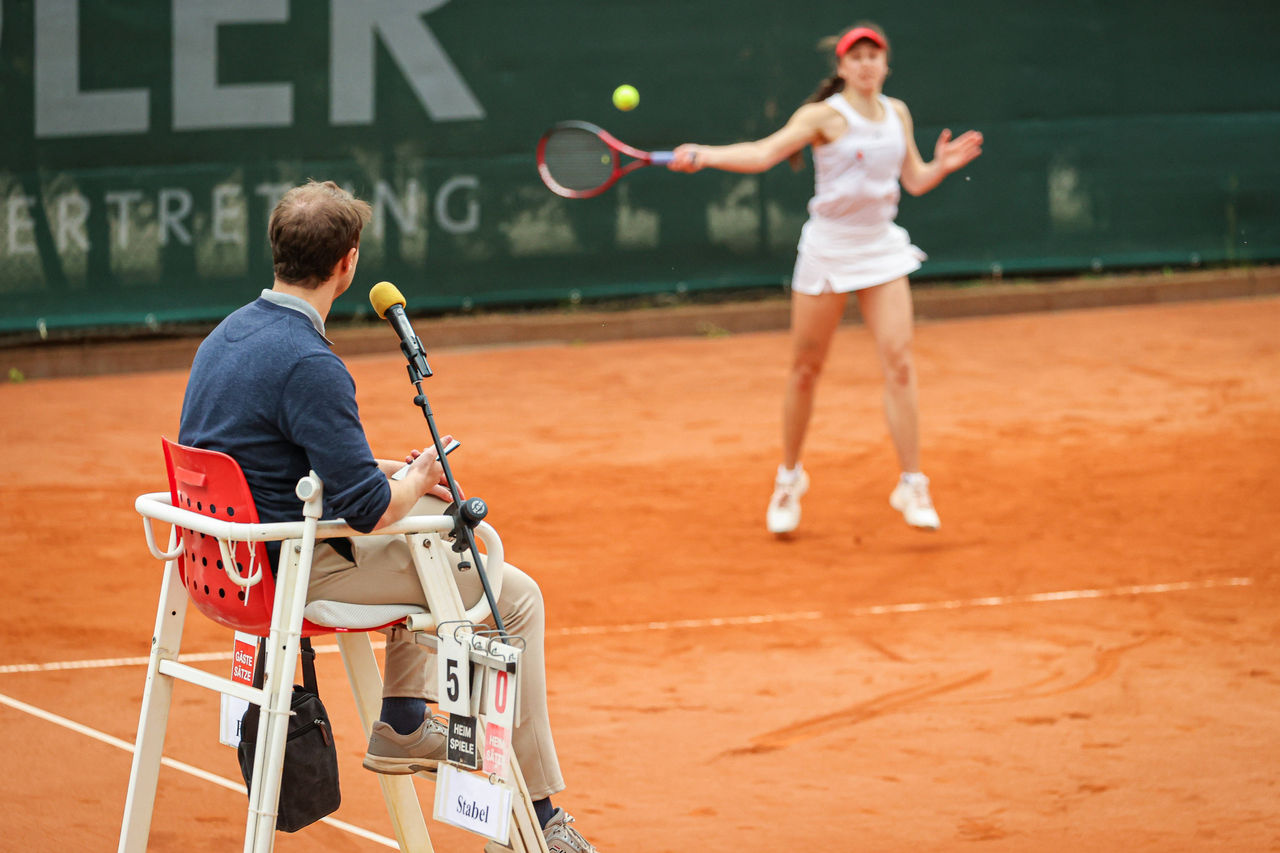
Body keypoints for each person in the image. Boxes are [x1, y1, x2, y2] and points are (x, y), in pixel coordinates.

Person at [178, 180, 598, 853]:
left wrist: (398, 482)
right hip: (291, 572)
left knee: (425, 530)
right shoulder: (310, 362)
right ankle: (538, 822)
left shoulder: (226, 335)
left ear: (278, 253)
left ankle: (409, 718)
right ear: (348, 264)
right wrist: (419, 478)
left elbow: (281, 463)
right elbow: (370, 511)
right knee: (506, 588)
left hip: (220, 562)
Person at [669, 22, 983, 535]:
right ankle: (789, 479)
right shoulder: (823, 117)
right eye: (854, 56)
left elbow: (914, 180)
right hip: (829, 250)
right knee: (806, 369)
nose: (864, 64)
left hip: (881, 247)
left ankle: (911, 482)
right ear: (841, 68)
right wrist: (706, 155)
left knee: (900, 363)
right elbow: (764, 153)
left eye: (873, 55)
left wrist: (940, 167)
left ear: (885, 65)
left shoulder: (897, 113)